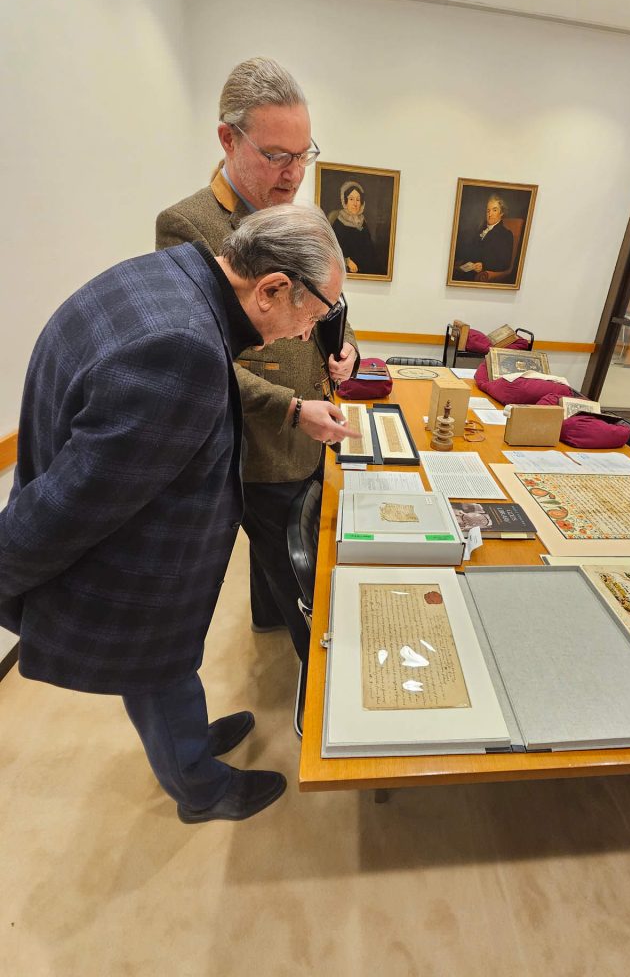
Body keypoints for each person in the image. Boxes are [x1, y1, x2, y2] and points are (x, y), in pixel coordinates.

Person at [0, 204, 354, 824]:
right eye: (315, 315)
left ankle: (190, 740)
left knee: (169, 669)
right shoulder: (182, 349)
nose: (308, 334)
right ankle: (200, 789)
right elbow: (67, 506)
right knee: (156, 668)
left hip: (147, 550)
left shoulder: (173, 274)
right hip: (135, 570)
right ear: (273, 288)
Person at [156, 56, 359, 665]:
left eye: (304, 154)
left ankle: (275, 624)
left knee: (298, 554)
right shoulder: (187, 225)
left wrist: (343, 345)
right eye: (277, 156)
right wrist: (293, 409)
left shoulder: (301, 214)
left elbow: (329, 297)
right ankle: (315, 688)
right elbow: (205, 363)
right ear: (228, 138)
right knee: (297, 577)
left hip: (316, 426)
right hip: (261, 448)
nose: (294, 173)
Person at [455, 194, 516, 283]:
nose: (490, 214)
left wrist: (483, 266)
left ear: (501, 213)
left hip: (481, 276)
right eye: (488, 211)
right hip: (468, 271)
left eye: (494, 210)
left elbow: (504, 263)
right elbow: (470, 251)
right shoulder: (481, 230)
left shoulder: (505, 234)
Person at [331, 180, 379, 275]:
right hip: (347, 272)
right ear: (345, 201)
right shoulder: (338, 223)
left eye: (358, 199)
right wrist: (347, 261)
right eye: (351, 199)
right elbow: (333, 251)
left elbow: (370, 250)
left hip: (366, 272)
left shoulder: (362, 222)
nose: (355, 203)